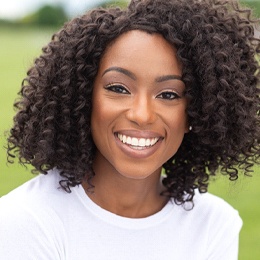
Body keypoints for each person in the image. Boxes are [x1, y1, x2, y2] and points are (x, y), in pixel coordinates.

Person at [0, 0, 259, 259]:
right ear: (82, 98)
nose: (142, 115)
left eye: (169, 94)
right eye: (118, 89)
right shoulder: (27, 221)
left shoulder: (213, 226)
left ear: (197, 112)